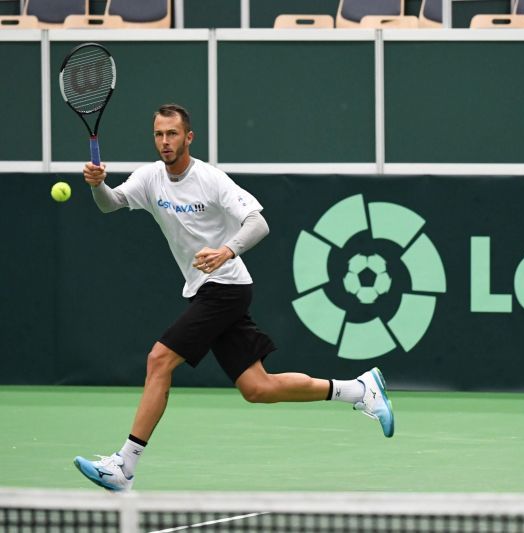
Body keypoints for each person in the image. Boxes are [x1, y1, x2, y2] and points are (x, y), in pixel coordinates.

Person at [73, 103, 394, 492]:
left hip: (226, 287)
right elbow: (111, 204)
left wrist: (226, 251)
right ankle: (359, 390)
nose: (165, 142)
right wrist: (97, 186)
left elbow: (258, 222)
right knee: (257, 388)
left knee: (159, 360)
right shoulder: (149, 179)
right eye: (158, 134)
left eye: (172, 134)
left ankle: (124, 466)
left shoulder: (211, 179)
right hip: (205, 290)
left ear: (188, 137)